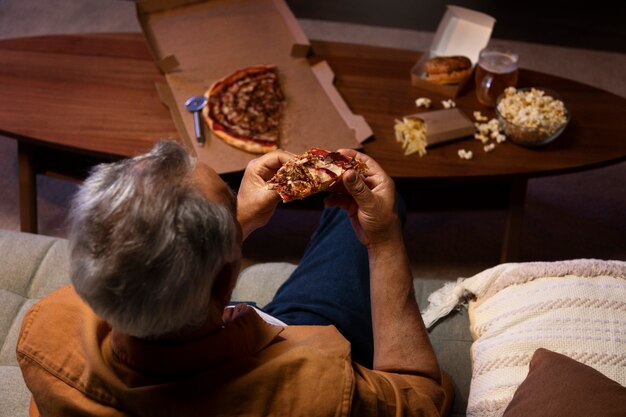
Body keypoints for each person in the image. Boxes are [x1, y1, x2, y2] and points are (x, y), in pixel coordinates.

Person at [17, 141, 453, 416]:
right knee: (371, 215)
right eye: (231, 200)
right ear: (227, 275)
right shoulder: (317, 389)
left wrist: (234, 222)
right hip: (286, 350)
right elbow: (424, 397)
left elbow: (135, 265)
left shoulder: (45, 331)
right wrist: (383, 242)